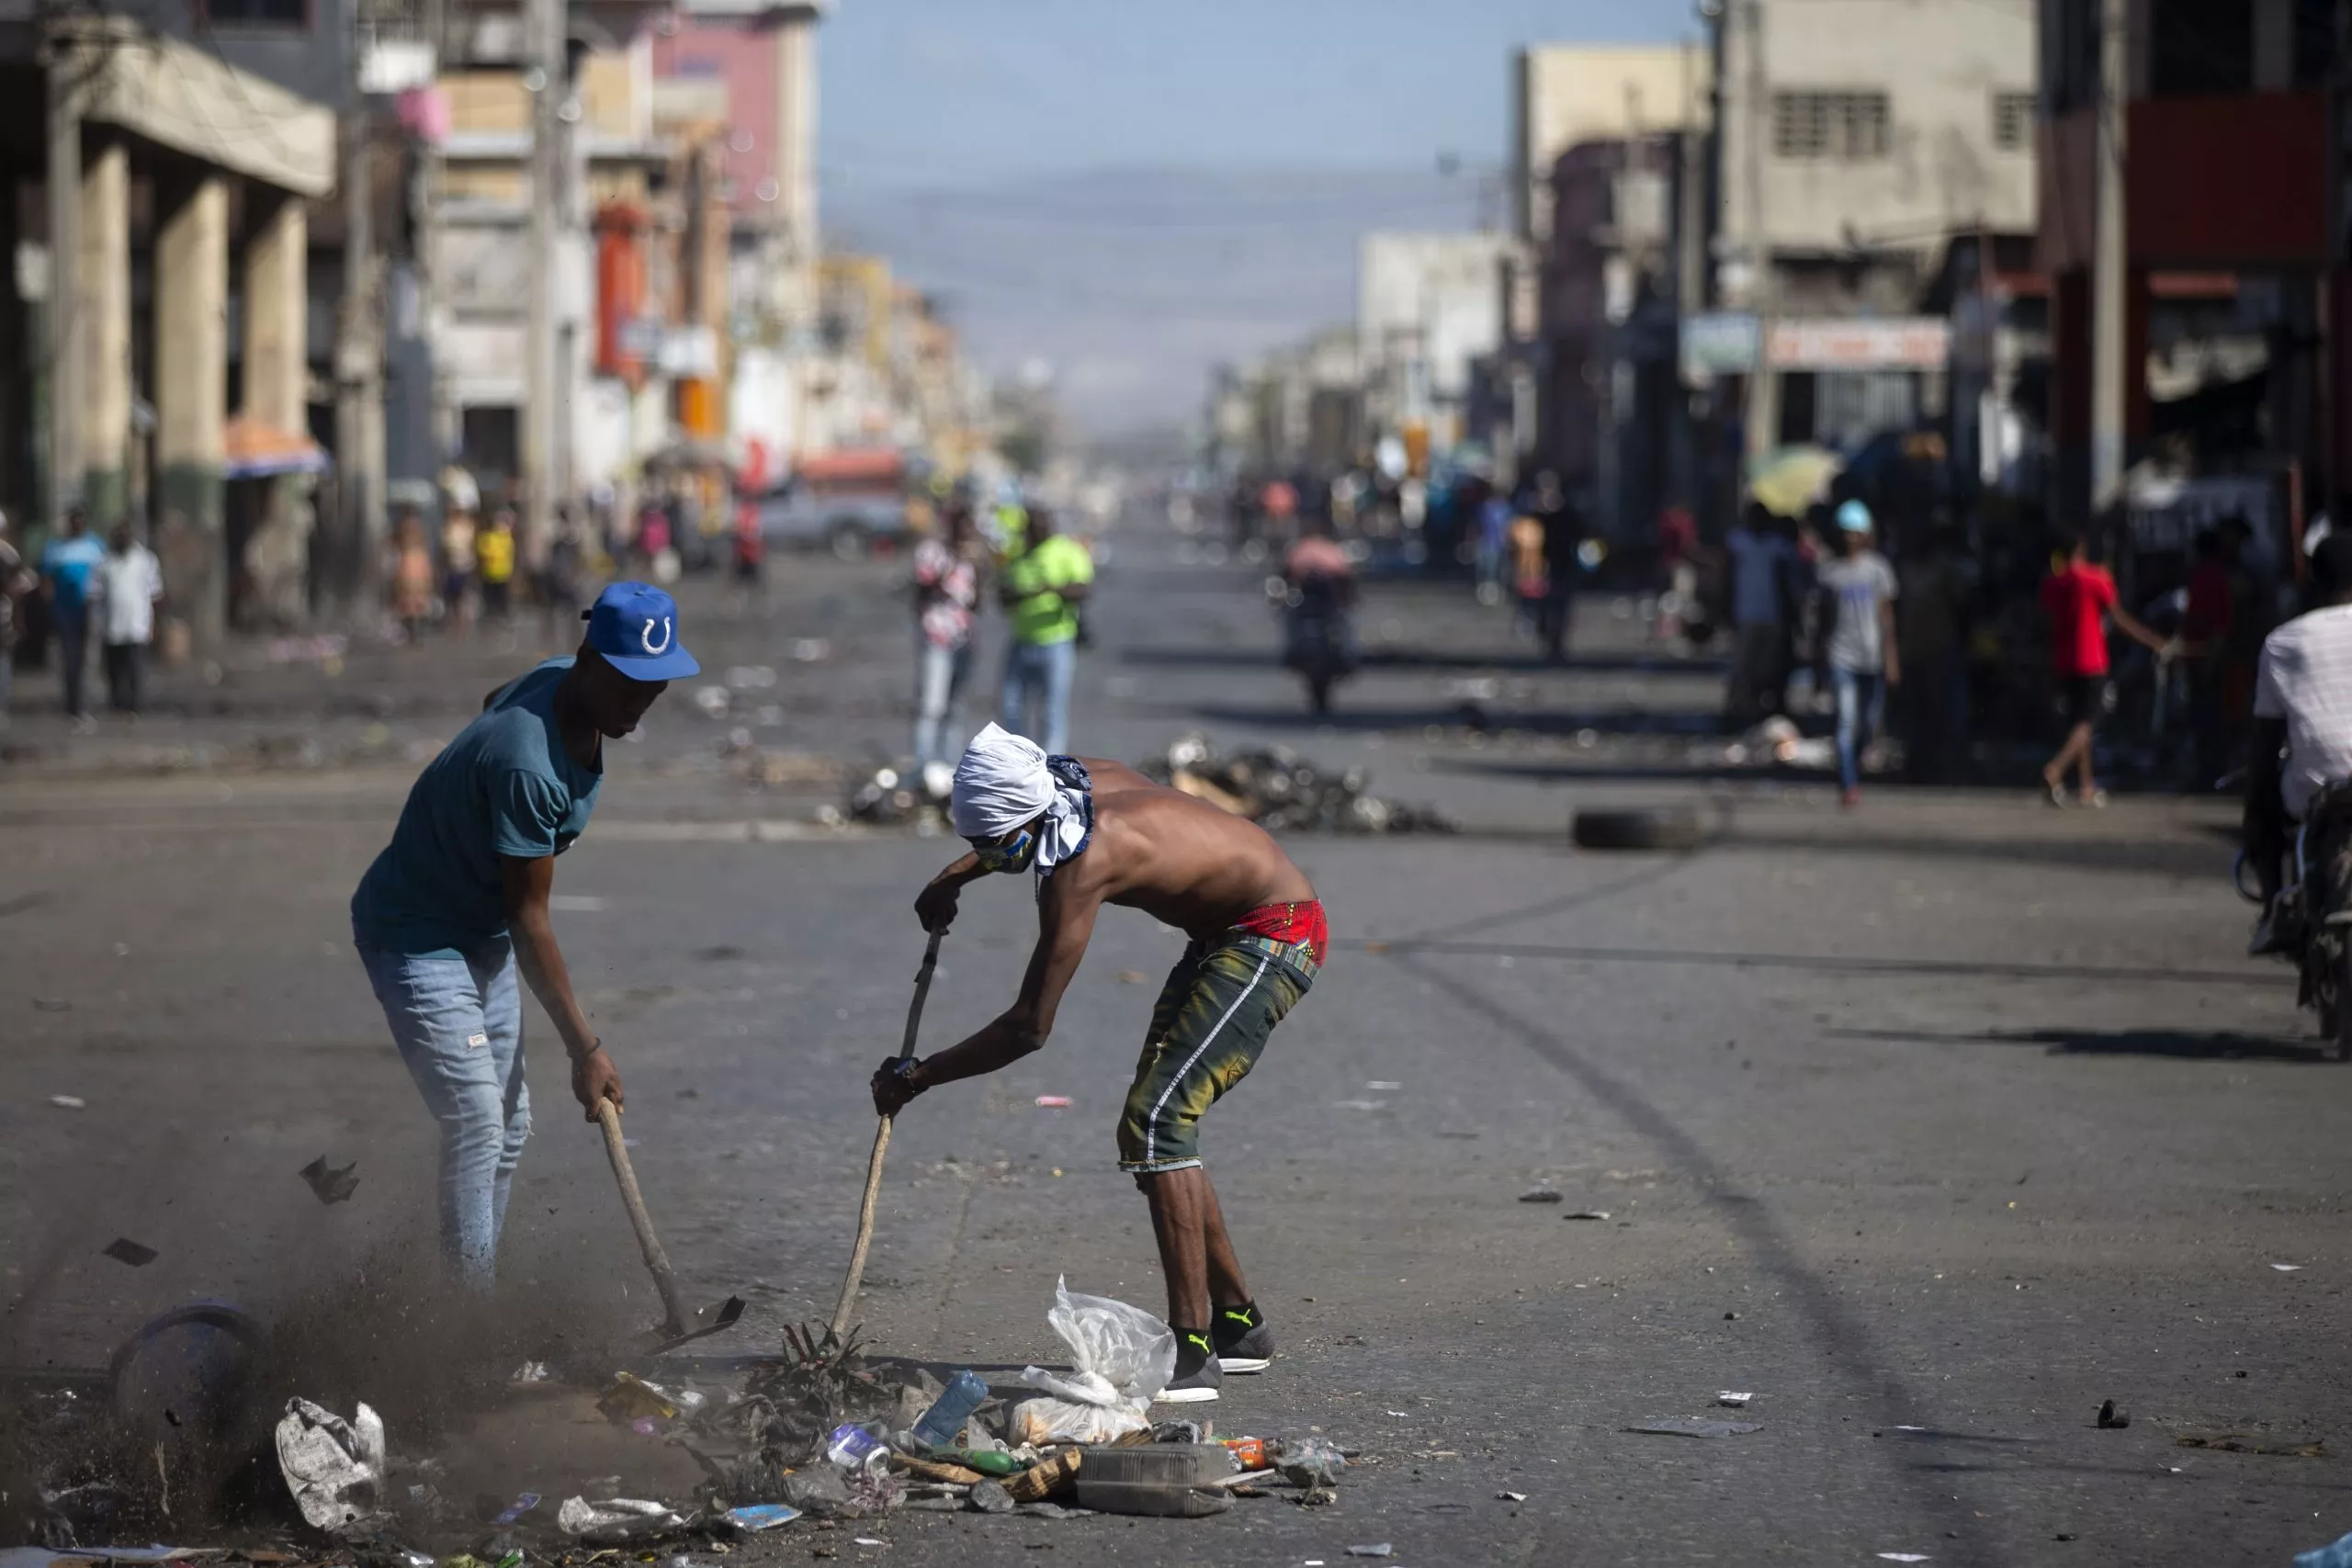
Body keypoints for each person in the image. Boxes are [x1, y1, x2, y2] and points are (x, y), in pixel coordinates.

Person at [877, 724, 1326, 1402]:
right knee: (1155, 1129)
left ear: (1024, 817)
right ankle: (1240, 1325)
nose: (995, 858)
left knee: (1159, 1122)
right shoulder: (1073, 777)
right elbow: (1015, 834)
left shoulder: (1081, 865)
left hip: (1275, 935)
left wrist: (919, 1075)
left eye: (994, 848)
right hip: (1227, 933)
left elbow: (1029, 1027)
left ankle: (1193, 1349)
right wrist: (958, 872)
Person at [349, 582, 699, 1287]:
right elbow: (529, 916)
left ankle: (470, 1286)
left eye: (652, 693)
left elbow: (492, 700)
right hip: (417, 933)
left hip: (478, 925)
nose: (636, 709)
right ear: (587, 660)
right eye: (628, 688)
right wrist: (586, 1049)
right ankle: (469, 1323)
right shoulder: (529, 765)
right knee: (477, 1120)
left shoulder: (549, 679)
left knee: (508, 1128)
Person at [2245, 533, 2352, 954]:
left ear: (2314, 578)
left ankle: (2275, 906)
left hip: (2319, 790)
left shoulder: (2284, 641)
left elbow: (2264, 744)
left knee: (2263, 802)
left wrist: (2254, 800)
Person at [2038, 530, 2167, 807]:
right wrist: (2152, 640)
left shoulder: (2054, 583)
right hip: (2092, 660)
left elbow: (2046, 623)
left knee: (2078, 722)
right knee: (2089, 721)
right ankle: (2056, 768)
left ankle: (2086, 786)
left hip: (2063, 660)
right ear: (2081, 547)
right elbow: (2119, 618)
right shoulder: (2096, 578)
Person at [1816, 500, 1901, 807]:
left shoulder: (1878, 570)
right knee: (1846, 721)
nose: (1851, 538)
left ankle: (1855, 761)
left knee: (1868, 723)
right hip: (1842, 656)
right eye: (1846, 532)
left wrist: (1891, 660)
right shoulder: (1829, 573)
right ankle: (1848, 783)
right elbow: (1822, 621)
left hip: (1872, 656)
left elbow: (1887, 618)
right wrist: (1819, 661)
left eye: (1856, 532)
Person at [997, 506, 1092, 755]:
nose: (1039, 530)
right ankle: (1017, 759)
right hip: (1021, 639)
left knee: (1052, 708)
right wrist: (1020, 595)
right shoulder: (1018, 553)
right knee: (1011, 705)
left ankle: (1051, 761)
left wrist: (1050, 589)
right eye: (1034, 526)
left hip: (1056, 640)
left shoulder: (1066, 550)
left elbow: (1083, 589)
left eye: (1044, 524)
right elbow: (1002, 593)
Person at [1898, 521, 1975, 782]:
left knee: (1940, 710)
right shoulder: (1906, 571)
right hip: (1912, 650)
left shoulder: (1944, 570)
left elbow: (1962, 606)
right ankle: (1918, 763)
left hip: (1940, 649)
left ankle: (1943, 763)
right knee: (1916, 711)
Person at [912, 504, 983, 788]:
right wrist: (952, 562)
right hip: (937, 638)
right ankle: (924, 764)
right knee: (932, 706)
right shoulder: (933, 552)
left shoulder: (971, 558)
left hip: (965, 639)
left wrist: (978, 568)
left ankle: (951, 765)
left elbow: (976, 601)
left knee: (956, 707)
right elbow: (923, 589)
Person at [1723, 502, 1799, 728]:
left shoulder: (1777, 547)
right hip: (1746, 614)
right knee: (1743, 667)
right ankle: (1736, 711)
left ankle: (1761, 710)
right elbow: (1728, 578)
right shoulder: (1738, 543)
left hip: (1771, 616)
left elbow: (1786, 583)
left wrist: (1790, 614)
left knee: (1768, 668)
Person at [40, 507, 103, 728]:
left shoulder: (95, 546)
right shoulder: (55, 548)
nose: (77, 526)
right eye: (73, 522)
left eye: (80, 523)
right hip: (64, 611)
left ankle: (85, 701)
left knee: (88, 659)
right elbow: (46, 581)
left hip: (89, 609)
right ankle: (72, 702)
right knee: (70, 658)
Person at [92, 521, 163, 716]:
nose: (122, 539)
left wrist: (156, 623)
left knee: (135, 669)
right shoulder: (104, 562)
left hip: (137, 625)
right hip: (111, 626)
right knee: (114, 669)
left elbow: (155, 594)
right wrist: (96, 623)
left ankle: (134, 705)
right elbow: (96, 594)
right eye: (118, 535)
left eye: (125, 535)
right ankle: (116, 704)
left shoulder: (146, 560)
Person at [1530, 471, 1582, 662]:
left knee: (1560, 608)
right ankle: (1548, 641)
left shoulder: (1568, 514)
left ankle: (1556, 645)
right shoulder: (1537, 515)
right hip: (1541, 568)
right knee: (1543, 608)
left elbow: (1578, 536)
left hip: (1563, 567)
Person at [0, 512, 31, 729]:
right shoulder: (9, 555)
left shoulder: (9, 556)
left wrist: (18, 620)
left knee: (3, 662)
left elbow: (21, 586)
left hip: (3, 619)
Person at [390, 508, 435, 643]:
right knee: (407, 600)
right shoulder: (404, 534)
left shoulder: (419, 534)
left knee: (417, 600)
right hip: (408, 564)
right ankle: (410, 630)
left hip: (415, 563)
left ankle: (415, 630)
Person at [441, 505, 479, 636]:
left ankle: (462, 622)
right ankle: (454, 621)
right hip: (452, 565)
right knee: (452, 595)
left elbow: (472, 545)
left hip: (465, 564)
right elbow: (445, 546)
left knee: (463, 594)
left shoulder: (468, 527)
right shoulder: (449, 527)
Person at [476, 508, 518, 623]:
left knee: (502, 598)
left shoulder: (507, 538)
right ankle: (490, 616)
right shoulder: (487, 537)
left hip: (503, 574)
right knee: (490, 597)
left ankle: (501, 615)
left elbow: (511, 555)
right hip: (489, 573)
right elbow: (482, 553)